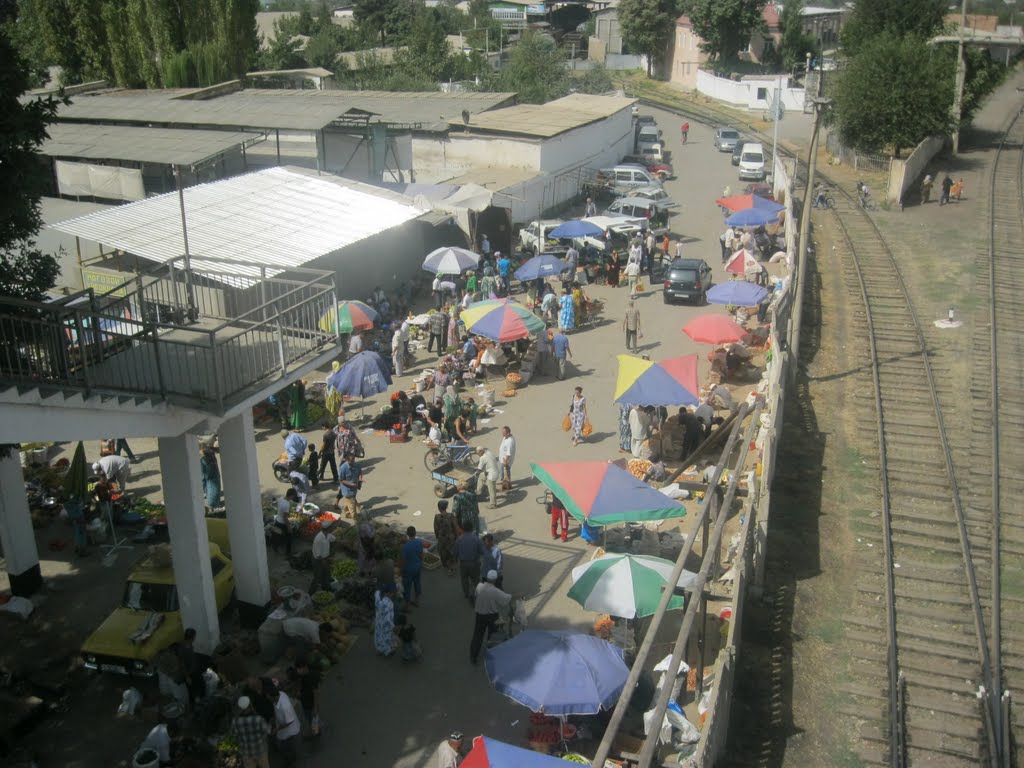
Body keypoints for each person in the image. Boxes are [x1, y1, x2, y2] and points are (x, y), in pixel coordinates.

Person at [470, 570, 512, 664]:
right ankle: (491, 651)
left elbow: (476, 595)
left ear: (487, 578)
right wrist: (518, 595)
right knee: (492, 635)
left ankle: (473, 657)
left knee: (477, 635)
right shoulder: (495, 591)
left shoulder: (479, 586)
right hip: (492, 616)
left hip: (480, 615)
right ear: (495, 579)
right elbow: (506, 598)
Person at [232, 696, 272, 768]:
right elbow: (268, 731)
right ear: (250, 706)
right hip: (260, 750)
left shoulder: (235, 721)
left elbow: (235, 735)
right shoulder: (258, 719)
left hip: (246, 753)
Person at [272, 684, 300, 767]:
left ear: (273, 697)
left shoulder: (285, 706)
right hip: (284, 729)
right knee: (287, 745)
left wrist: (277, 729)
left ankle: (291, 760)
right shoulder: (280, 695)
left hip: (289, 730)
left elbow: (289, 721)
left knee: (285, 747)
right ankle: (292, 757)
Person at [293, 656, 321, 737]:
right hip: (305, 702)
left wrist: (315, 707)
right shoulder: (302, 675)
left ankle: (316, 732)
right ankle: (315, 729)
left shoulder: (312, 677)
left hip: (311, 704)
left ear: (305, 667)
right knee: (310, 718)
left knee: (313, 718)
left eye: (299, 668)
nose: (298, 671)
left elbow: (316, 693)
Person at [455, 523, 484, 601]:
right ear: (472, 529)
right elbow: (482, 551)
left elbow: (455, 553)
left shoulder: (459, 539)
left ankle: (466, 594)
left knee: (464, 579)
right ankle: (476, 594)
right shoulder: (477, 539)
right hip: (474, 563)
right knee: (475, 579)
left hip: (463, 564)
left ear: (463, 529)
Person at [400, 526, 426, 606]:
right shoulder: (419, 542)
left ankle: (407, 605)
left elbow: (403, 561)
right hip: (417, 567)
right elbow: (421, 556)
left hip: (408, 569)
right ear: (415, 533)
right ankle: (417, 600)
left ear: (407, 534)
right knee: (417, 583)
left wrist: (401, 570)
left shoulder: (405, 547)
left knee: (407, 586)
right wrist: (419, 563)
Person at [432, 500, 457, 575]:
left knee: (443, 552)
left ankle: (445, 565)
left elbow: (436, 528)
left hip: (442, 538)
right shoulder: (451, 516)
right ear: (446, 507)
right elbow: (455, 527)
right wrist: (455, 537)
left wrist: (438, 536)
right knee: (451, 552)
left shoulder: (437, 517)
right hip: (450, 538)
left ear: (439, 508)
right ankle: (451, 568)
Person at [336, 452, 362, 517]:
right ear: (347, 460)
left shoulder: (357, 465)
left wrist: (360, 481)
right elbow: (341, 480)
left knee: (348, 502)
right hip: (347, 490)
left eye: (353, 460)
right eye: (351, 461)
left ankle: (347, 513)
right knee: (352, 505)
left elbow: (360, 473)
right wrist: (351, 484)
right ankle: (355, 518)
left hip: (354, 489)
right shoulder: (343, 468)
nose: (353, 463)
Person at [374, 583, 396, 655]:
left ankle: (380, 649)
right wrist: (391, 625)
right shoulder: (389, 603)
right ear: (388, 593)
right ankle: (387, 651)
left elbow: (377, 595)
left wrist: (378, 592)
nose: (393, 594)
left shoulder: (380, 601)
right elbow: (388, 616)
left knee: (379, 636)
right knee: (387, 637)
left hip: (379, 623)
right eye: (392, 593)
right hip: (387, 624)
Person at [310, 527, 332, 593]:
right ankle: (311, 592)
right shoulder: (318, 539)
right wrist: (324, 562)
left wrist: (341, 541)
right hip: (318, 560)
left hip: (324, 558)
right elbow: (318, 555)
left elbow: (333, 539)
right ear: (327, 529)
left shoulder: (328, 535)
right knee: (317, 576)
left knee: (326, 574)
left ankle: (326, 588)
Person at [498, 426, 516, 491]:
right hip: (503, 459)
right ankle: (505, 482)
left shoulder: (510, 441)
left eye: (504, 433)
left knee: (505, 473)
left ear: (508, 433)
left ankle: (506, 485)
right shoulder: (506, 437)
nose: (502, 434)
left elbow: (508, 453)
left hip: (506, 460)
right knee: (504, 472)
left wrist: (505, 461)